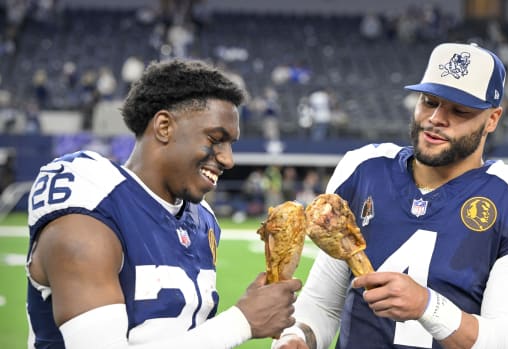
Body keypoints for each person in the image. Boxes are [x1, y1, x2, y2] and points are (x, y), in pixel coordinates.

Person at [272, 42, 508, 349]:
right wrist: (296, 339)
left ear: (492, 119)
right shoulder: (365, 170)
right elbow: (322, 303)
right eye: (429, 101)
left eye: (459, 110)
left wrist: (428, 306)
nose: (437, 118)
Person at [26, 59, 302, 348]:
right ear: (164, 126)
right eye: (215, 139)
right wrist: (242, 321)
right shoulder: (93, 204)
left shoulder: (202, 217)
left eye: (230, 144)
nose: (228, 159)